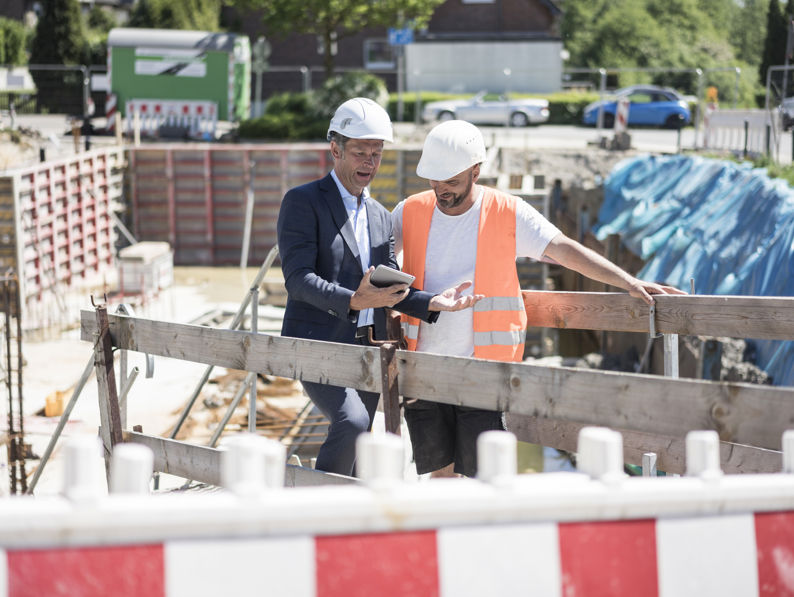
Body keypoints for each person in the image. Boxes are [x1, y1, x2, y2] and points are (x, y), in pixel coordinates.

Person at [392, 119, 686, 478]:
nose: (441, 191)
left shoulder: (506, 212)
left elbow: (563, 248)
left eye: (451, 182)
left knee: (482, 481)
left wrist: (627, 281)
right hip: (426, 371)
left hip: (483, 374)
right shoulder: (409, 211)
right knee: (440, 477)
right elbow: (375, 265)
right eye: (434, 181)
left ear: (475, 171)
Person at [277, 99, 480, 477]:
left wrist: (433, 302)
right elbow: (297, 279)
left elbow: (388, 281)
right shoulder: (302, 202)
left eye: (377, 153)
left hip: (365, 348)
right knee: (351, 423)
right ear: (335, 149)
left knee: (361, 438)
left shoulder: (381, 217)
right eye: (359, 152)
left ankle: (344, 523)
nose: (369, 162)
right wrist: (353, 299)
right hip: (316, 342)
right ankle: (316, 509)